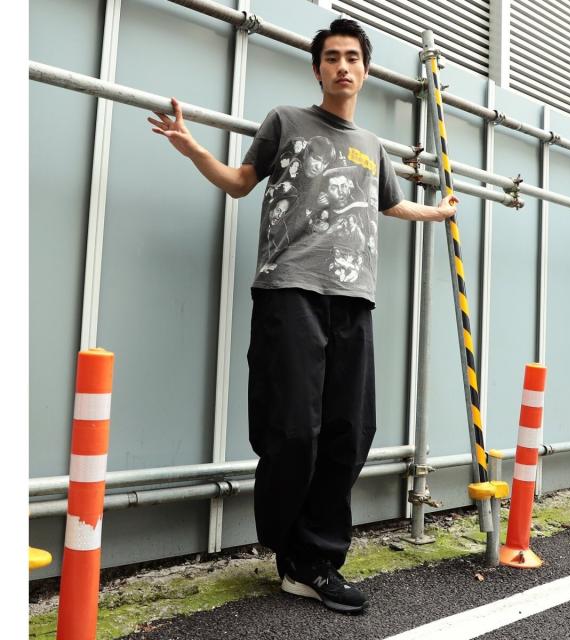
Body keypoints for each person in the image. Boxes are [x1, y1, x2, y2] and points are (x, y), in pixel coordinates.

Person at [148, 18, 458, 615]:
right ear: (318, 69)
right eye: (332, 57)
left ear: (365, 70)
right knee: (292, 428)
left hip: (355, 299)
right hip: (289, 290)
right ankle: (293, 552)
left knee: (351, 431)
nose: (343, 66)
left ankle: (313, 561)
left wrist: (440, 212)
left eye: (352, 58)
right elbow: (240, 183)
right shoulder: (286, 121)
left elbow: (393, 205)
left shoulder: (372, 146)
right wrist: (195, 150)